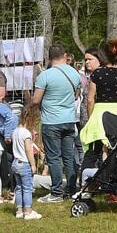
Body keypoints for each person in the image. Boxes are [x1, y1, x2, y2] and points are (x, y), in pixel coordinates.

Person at [31, 44, 83, 203]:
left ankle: (56, 193)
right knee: (69, 157)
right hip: (69, 120)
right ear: (65, 55)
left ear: (50, 57)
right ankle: (72, 190)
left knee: (54, 158)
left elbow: (36, 100)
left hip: (51, 121)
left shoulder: (45, 76)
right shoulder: (75, 73)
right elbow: (76, 95)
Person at [80, 39, 117, 149]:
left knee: (98, 149)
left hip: (101, 112)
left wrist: (90, 118)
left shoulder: (98, 73)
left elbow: (90, 99)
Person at [11, 104, 43, 220]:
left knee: (19, 188)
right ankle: (28, 211)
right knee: (27, 188)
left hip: (15, 163)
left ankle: (19, 210)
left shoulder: (15, 131)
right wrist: (33, 164)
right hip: (24, 163)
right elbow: (28, 150)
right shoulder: (26, 133)